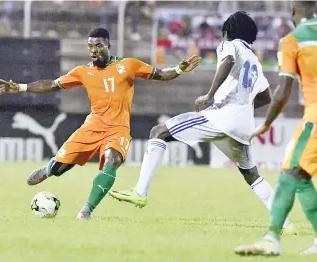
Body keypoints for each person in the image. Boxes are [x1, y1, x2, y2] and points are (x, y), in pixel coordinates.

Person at [109, 12, 295, 234]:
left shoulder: (230, 45)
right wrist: (242, 108)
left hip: (220, 117)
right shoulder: (255, 60)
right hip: (242, 126)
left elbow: (227, 61)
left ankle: (140, 192)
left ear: (227, 31)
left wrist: (209, 95)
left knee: (158, 132)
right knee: (252, 175)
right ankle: (285, 223)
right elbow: (265, 98)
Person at [0, 27, 200, 220]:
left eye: (98, 46)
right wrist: (21, 87)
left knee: (112, 160)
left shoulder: (128, 65)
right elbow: (52, 84)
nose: (93, 50)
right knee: (60, 169)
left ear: (108, 45)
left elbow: (160, 75)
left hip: (118, 128)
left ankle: (87, 209)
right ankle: (50, 169)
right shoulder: (83, 71)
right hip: (92, 126)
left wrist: (179, 69)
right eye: (90, 46)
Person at [235, 1, 317, 256]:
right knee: (300, 177)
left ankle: (272, 239)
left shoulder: (292, 41)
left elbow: (283, 89)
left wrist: (266, 123)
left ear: (292, 12)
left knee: (288, 174)